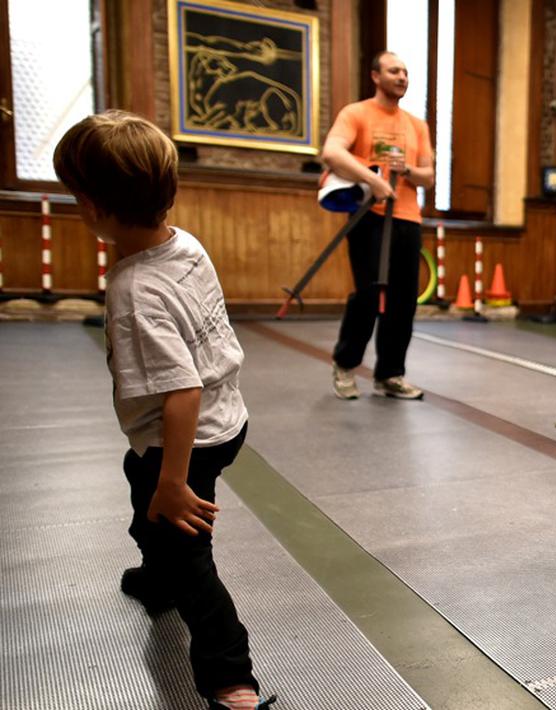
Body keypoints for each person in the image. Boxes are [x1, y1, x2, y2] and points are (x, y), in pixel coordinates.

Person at [53, 111, 275, 710]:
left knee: (183, 545)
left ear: (94, 208)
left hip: (186, 438)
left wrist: (174, 482)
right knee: (142, 491)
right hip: (227, 420)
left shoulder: (133, 293)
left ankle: (232, 683)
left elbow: (181, 393)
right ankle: (156, 579)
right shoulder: (185, 243)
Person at [323, 51, 435, 400]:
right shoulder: (356, 114)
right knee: (368, 296)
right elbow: (331, 153)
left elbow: (429, 177)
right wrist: (372, 180)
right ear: (375, 76)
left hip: (407, 220)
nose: (402, 77)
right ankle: (345, 365)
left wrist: (407, 173)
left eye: (405, 71)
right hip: (368, 217)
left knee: (404, 302)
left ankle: (390, 374)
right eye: (393, 71)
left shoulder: (417, 125)